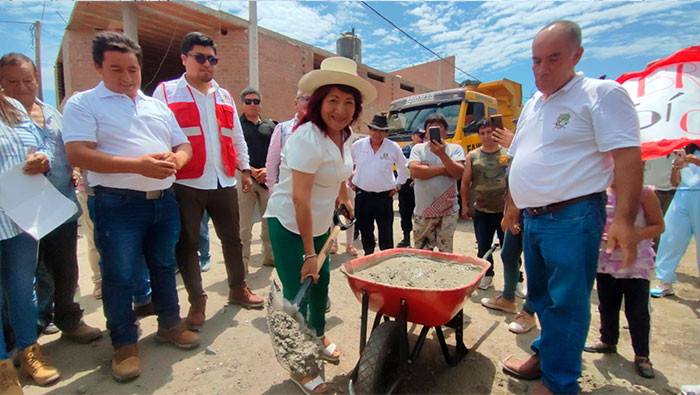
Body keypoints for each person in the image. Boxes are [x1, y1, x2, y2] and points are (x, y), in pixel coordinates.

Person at [501, 21, 641, 394]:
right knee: (542, 296)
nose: (542, 69)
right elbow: (518, 157)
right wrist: (512, 204)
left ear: (576, 55)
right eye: (535, 61)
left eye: (553, 58)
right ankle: (546, 358)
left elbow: (629, 158)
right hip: (534, 219)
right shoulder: (534, 103)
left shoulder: (601, 93)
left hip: (573, 216)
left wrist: (624, 219)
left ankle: (560, 382)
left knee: (567, 301)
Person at [63, 31, 198, 382]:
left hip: (163, 201)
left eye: (133, 69)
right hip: (117, 204)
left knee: (164, 266)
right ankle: (124, 343)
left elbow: (185, 145)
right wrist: (138, 165)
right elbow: (78, 153)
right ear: (98, 67)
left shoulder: (157, 105)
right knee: (119, 275)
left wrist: (175, 160)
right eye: (116, 69)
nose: (126, 77)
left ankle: (170, 324)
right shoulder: (84, 103)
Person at [264, 56, 376, 394]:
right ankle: (302, 363)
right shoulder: (306, 138)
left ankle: (317, 335)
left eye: (348, 103)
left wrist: (343, 196)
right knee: (298, 291)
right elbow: (300, 199)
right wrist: (310, 253)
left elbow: (339, 170)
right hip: (289, 224)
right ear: (318, 102)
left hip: (319, 222)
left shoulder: (346, 134)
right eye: (333, 101)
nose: (340, 110)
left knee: (322, 284)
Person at [152, 32, 264, 333]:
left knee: (233, 239)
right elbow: (156, 133)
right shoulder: (165, 92)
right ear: (184, 59)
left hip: (223, 179)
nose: (207, 64)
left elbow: (235, 136)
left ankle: (237, 288)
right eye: (200, 58)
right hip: (186, 181)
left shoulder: (224, 95)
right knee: (186, 244)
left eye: (212, 59)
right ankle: (197, 300)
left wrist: (244, 170)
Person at [0, 53, 102, 343]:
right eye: (12, 81)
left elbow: (70, 148)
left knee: (65, 269)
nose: (21, 87)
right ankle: (24, 332)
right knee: (24, 277)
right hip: (17, 214)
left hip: (59, 207)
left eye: (28, 80)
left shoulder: (54, 114)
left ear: (37, 80)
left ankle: (69, 320)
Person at [0, 90, 60, 393]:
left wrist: (43, 158)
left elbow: (46, 143)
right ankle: (2, 367)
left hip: (20, 216)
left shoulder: (11, 107)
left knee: (23, 290)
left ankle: (28, 351)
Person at [583, 184, 664, 379]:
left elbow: (659, 226)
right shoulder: (599, 191)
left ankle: (642, 355)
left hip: (635, 263)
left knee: (637, 311)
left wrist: (634, 234)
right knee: (607, 304)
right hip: (606, 259)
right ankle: (608, 340)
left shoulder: (645, 193)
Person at [460, 118, 509, 291]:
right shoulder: (472, 156)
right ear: (479, 135)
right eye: (482, 133)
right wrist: (465, 206)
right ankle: (487, 275)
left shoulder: (507, 153)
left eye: (489, 132)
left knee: (509, 249)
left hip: (505, 210)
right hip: (482, 209)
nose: (486, 136)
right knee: (483, 247)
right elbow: (465, 183)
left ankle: (516, 280)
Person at [349, 114, 408, 255]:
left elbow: (403, 168)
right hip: (362, 196)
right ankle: (368, 256)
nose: (377, 133)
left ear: (386, 132)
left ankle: (386, 261)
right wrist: (349, 182)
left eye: (381, 130)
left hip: (384, 197)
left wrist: (399, 185)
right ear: (369, 130)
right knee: (365, 231)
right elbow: (347, 165)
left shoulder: (393, 147)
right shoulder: (358, 146)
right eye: (374, 129)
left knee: (386, 232)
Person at [408, 113, 465, 252]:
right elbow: (415, 172)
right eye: (430, 128)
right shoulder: (418, 149)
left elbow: (458, 173)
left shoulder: (455, 149)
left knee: (445, 252)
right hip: (423, 211)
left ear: (445, 131)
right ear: (425, 131)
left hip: (448, 210)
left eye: (438, 128)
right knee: (422, 252)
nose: (434, 131)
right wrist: (445, 169)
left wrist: (442, 154)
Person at [651, 143, 700, 298]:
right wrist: (676, 167)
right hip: (682, 195)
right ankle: (665, 281)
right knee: (670, 237)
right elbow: (675, 182)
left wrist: (695, 161)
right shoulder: (685, 149)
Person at [238, 86, 276, 268]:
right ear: (242, 104)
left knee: (269, 222)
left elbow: (278, 152)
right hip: (244, 179)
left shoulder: (271, 126)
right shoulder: (235, 125)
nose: (253, 104)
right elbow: (232, 151)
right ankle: (243, 262)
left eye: (256, 101)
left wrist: (267, 171)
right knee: (244, 224)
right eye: (248, 101)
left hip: (267, 180)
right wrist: (250, 170)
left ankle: (269, 257)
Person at [265, 90, 310, 193]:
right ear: (296, 103)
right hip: (286, 192)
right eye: (306, 99)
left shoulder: (322, 131)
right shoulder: (283, 129)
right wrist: (273, 190)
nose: (309, 104)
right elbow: (272, 163)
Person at [396, 129, 424, 248]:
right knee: (405, 213)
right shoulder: (405, 150)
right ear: (413, 136)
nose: (421, 138)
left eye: (423, 136)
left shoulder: (426, 150)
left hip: (422, 185)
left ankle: (421, 240)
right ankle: (406, 238)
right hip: (407, 185)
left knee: (421, 214)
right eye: (419, 136)